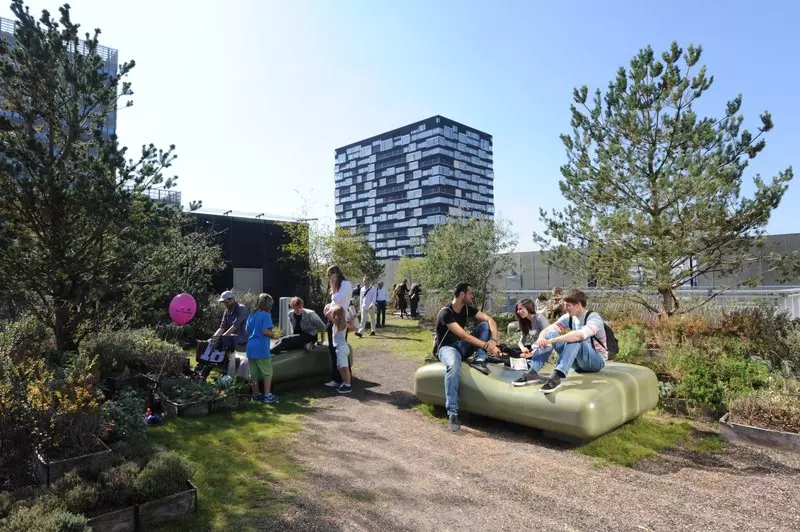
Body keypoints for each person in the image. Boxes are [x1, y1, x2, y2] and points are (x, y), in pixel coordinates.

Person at [433, 282, 501, 432]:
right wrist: (486, 346)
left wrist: (493, 340)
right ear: (462, 294)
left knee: (484, 325)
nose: (472, 296)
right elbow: (464, 336)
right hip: (447, 348)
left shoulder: (466, 309)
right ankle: (452, 413)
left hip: (461, 346)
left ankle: (480, 359)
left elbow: (490, 320)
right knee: (453, 366)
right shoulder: (446, 312)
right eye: (470, 293)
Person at [513, 289, 607, 392]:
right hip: (577, 363)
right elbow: (548, 329)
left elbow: (579, 335)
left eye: (568, 306)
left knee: (574, 338)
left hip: (595, 362)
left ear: (578, 305)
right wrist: (542, 338)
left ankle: (556, 377)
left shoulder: (594, 318)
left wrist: (552, 340)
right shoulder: (569, 317)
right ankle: (532, 372)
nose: (565, 309)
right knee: (551, 333)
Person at [244, 293, 278, 403]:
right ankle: (267, 396)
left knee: (253, 373)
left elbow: (248, 330)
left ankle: (255, 395)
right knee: (267, 372)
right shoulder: (266, 315)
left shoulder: (252, 314)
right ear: (268, 304)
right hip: (261, 348)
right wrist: (273, 334)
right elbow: (265, 331)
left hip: (250, 347)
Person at [323, 265, 353, 388]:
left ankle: (346, 380)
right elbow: (334, 301)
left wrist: (330, 306)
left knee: (340, 351)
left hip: (339, 318)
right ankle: (337, 378)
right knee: (332, 349)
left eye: (331, 275)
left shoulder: (345, 284)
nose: (330, 278)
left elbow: (339, 300)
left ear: (336, 273)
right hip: (333, 318)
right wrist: (329, 305)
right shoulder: (337, 286)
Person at [209, 290, 249, 377]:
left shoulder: (241, 309)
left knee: (225, 342)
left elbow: (235, 326)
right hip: (232, 339)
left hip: (243, 340)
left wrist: (222, 338)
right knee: (214, 345)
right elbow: (222, 327)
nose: (224, 304)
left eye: (226, 302)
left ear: (231, 300)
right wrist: (214, 338)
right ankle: (220, 370)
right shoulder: (227, 311)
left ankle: (229, 373)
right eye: (223, 302)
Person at [329, 304, 352, 394]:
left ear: (336, 315)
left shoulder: (340, 323)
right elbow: (353, 327)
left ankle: (348, 385)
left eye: (333, 314)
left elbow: (327, 313)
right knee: (339, 367)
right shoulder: (339, 323)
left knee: (344, 368)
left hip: (341, 349)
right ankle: (344, 382)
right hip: (340, 348)